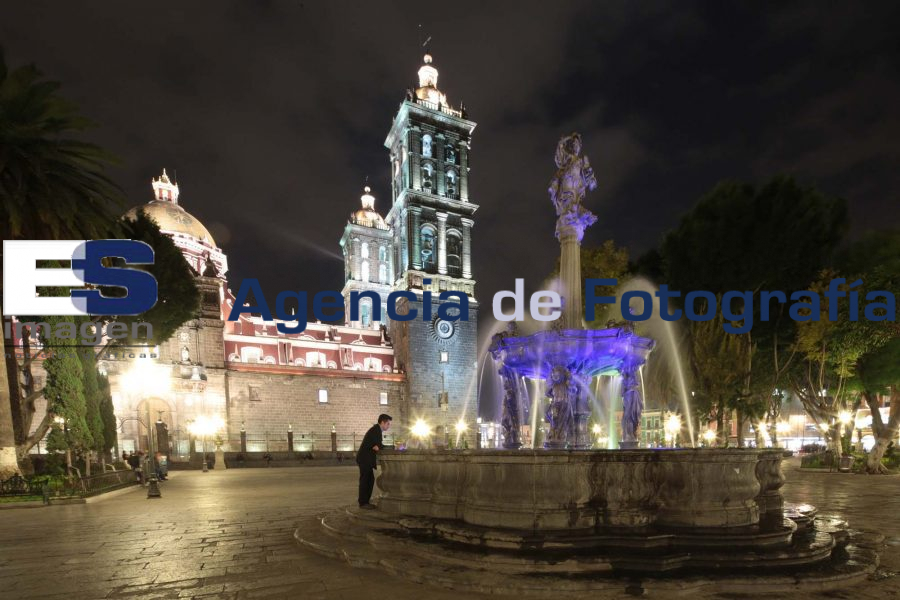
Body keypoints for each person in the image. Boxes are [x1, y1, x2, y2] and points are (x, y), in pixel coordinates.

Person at [356, 414, 392, 509]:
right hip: (365, 459)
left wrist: (381, 446)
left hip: (365, 459)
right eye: (388, 424)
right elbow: (378, 446)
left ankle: (365, 502)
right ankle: (363, 503)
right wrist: (393, 448)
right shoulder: (376, 430)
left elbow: (378, 446)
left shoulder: (376, 430)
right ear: (382, 422)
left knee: (369, 480)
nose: (389, 426)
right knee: (365, 480)